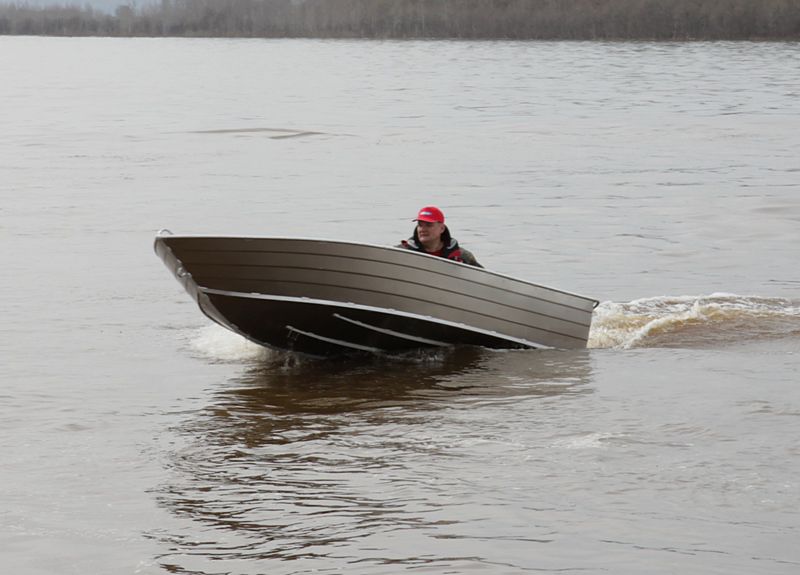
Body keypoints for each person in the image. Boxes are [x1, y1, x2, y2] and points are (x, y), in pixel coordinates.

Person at [397, 206, 482, 267]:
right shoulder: (402, 251)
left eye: (428, 225)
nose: (422, 229)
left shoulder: (462, 256)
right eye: (420, 225)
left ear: (441, 228)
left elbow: (482, 278)